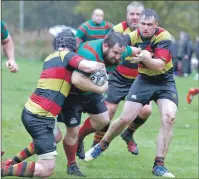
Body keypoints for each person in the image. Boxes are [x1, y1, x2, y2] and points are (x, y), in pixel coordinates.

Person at [85, 9, 178, 178]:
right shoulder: (132, 36)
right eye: (143, 24)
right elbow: (114, 50)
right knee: (125, 119)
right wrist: (94, 63)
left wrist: (143, 57)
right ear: (138, 24)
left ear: (156, 25)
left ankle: (159, 165)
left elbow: (158, 65)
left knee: (169, 117)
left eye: (150, 25)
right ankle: (102, 145)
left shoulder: (164, 36)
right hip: (143, 81)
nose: (145, 28)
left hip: (165, 82)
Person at [1, 32, 107, 178]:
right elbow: (89, 67)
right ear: (73, 45)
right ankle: (2, 171)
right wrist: (103, 65)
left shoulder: (50, 57)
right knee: (46, 169)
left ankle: (10, 162)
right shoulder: (67, 55)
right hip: (40, 118)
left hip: (34, 111)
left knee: (56, 135)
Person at [58, 32, 141, 177]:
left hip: (91, 92)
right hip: (73, 92)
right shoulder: (89, 53)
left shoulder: (120, 50)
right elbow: (77, 79)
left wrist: (144, 55)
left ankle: (80, 139)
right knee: (72, 131)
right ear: (105, 46)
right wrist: (101, 89)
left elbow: (134, 51)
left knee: (103, 119)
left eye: (120, 53)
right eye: (115, 53)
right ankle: (71, 165)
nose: (117, 57)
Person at [88, 1, 152, 157]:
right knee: (108, 112)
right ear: (126, 15)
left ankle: (128, 134)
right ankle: (96, 145)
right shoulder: (117, 30)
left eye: (138, 14)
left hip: (140, 79)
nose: (135, 17)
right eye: (132, 14)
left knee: (146, 111)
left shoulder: (150, 31)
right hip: (118, 76)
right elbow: (106, 53)